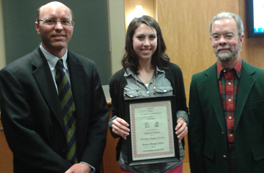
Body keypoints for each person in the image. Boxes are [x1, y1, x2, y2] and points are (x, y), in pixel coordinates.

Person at [0, 1, 109, 173]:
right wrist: (68, 170)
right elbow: (21, 135)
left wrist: (87, 163)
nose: (59, 27)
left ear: (72, 27)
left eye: (65, 21)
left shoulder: (88, 69)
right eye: (50, 21)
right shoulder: (14, 75)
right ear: (37, 27)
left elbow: (99, 120)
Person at [188, 12, 264, 173]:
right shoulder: (198, 83)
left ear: (240, 39)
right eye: (216, 36)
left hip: (255, 167)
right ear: (211, 41)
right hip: (214, 166)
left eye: (228, 35)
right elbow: (196, 139)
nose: (222, 41)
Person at [108, 15, 188, 173]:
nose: (146, 43)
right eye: (140, 37)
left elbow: (182, 108)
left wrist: (182, 120)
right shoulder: (117, 79)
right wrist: (114, 124)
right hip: (134, 165)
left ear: (158, 40)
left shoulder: (173, 72)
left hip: (170, 163)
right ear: (131, 40)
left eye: (152, 37)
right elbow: (115, 115)